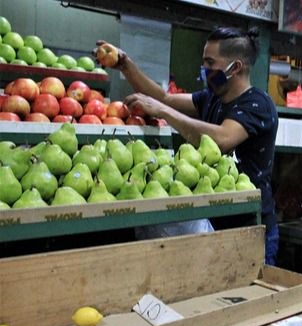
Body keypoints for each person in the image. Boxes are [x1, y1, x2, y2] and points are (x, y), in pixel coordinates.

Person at [95, 27, 280, 265]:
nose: (205, 70)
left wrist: (164, 112)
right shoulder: (212, 98)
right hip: (215, 219)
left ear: (235, 67)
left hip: (251, 226)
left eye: (210, 63)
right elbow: (164, 98)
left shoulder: (258, 104)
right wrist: (125, 65)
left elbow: (222, 139)